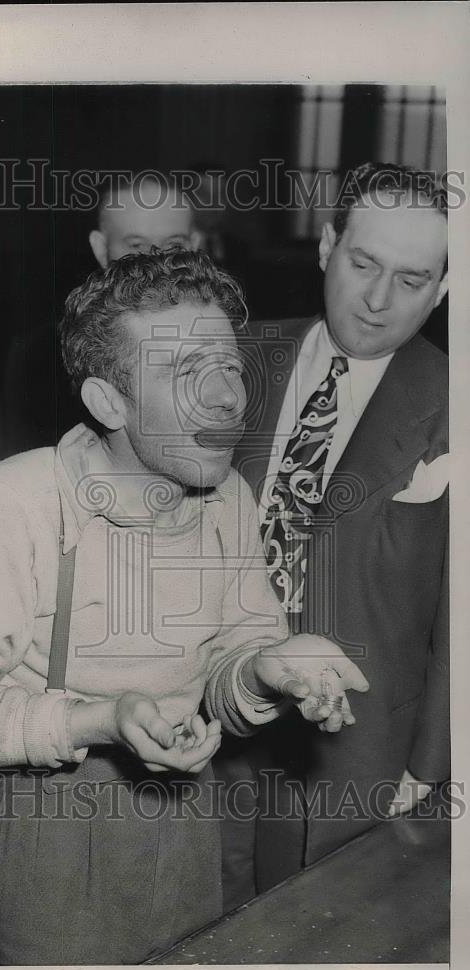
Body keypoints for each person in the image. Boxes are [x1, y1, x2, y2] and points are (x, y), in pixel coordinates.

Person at [0, 248, 369, 965]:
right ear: (107, 402)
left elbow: (228, 673)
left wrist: (271, 668)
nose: (225, 398)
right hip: (47, 833)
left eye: (227, 367)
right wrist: (100, 719)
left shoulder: (226, 497)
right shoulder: (10, 506)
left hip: (189, 827)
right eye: (183, 375)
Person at [228, 162, 449, 895]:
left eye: (413, 280)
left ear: (445, 289)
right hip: (205, 724)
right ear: (326, 246)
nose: (379, 300)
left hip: (352, 753)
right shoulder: (234, 359)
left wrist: (430, 763)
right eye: (362, 264)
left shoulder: (456, 404)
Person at [0, 172, 201, 459]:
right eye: (136, 246)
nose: (157, 261)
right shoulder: (40, 358)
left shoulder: (229, 343)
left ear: (195, 244)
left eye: (174, 245)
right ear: (100, 248)